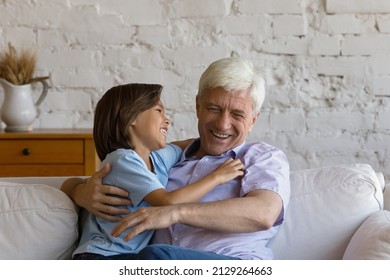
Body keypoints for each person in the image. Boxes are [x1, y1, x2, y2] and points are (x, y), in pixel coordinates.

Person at [61, 56, 290, 260]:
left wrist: (175, 213)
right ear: (198, 106)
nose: (223, 123)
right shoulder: (166, 158)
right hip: (147, 261)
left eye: (238, 114)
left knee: (155, 256)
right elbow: (107, 175)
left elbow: (263, 213)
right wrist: (80, 192)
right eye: (214, 108)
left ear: (253, 120)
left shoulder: (262, 157)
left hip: (228, 264)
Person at [70, 83, 244, 260]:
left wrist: (221, 135)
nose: (167, 120)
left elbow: (194, 143)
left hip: (127, 257)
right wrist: (217, 177)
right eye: (158, 111)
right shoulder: (122, 160)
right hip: (99, 256)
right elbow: (167, 201)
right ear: (131, 117)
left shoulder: (158, 159)